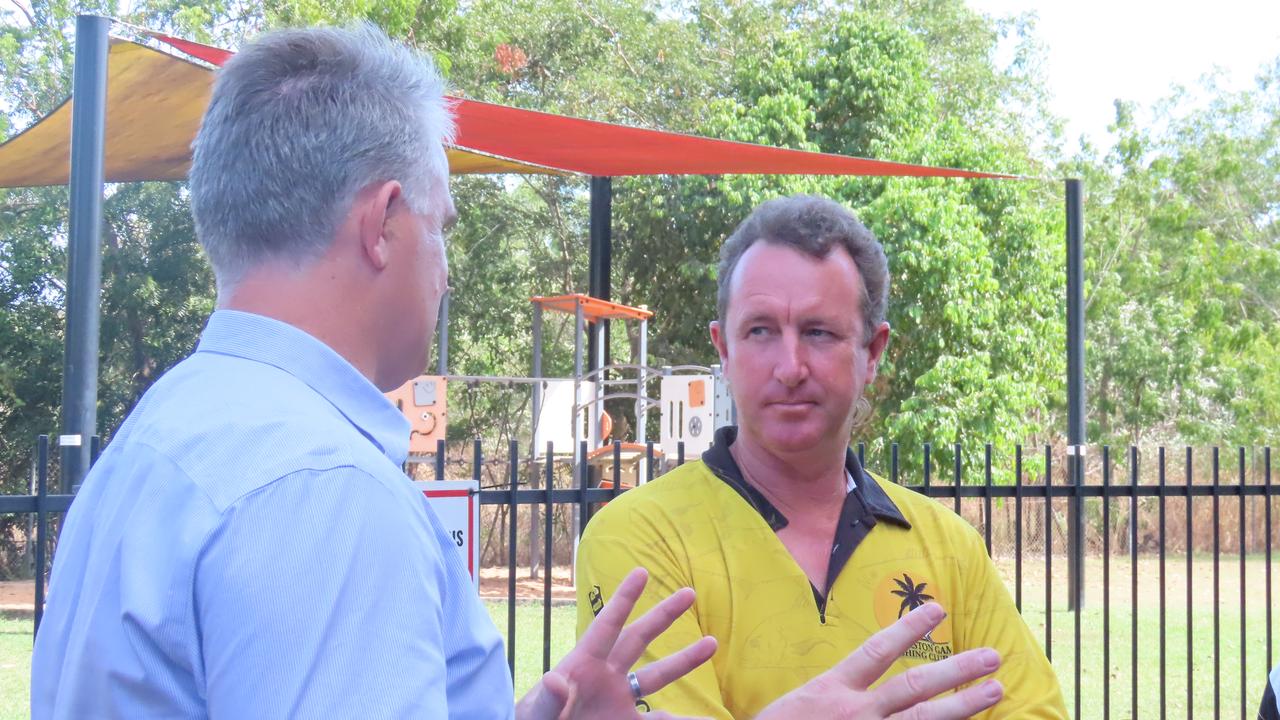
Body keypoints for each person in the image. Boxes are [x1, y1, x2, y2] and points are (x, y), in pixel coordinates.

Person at [28, 25, 1005, 720]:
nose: (444, 264)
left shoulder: (170, 434)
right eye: (441, 224)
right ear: (382, 225)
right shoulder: (318, 491)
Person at [576, 195, 1069, 718]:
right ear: (724, 349)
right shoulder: (639, 537)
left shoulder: (951, 549)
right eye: (760, 330)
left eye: (818, 332)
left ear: (872, 352)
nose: (790, 367)